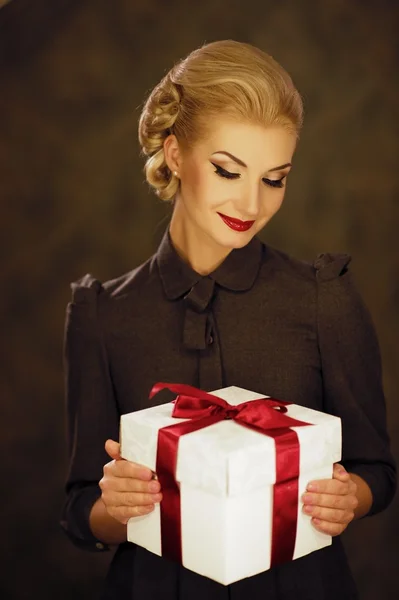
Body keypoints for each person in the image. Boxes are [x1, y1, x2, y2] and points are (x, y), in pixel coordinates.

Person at [60, 39, 396, 599]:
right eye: (226, 170)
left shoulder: (324, 298)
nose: (250, 205)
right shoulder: (101, 315)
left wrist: (350, 497)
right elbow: (78, 511)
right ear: (174, 154)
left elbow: (378, 473)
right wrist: (115, 507)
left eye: (273, 178)